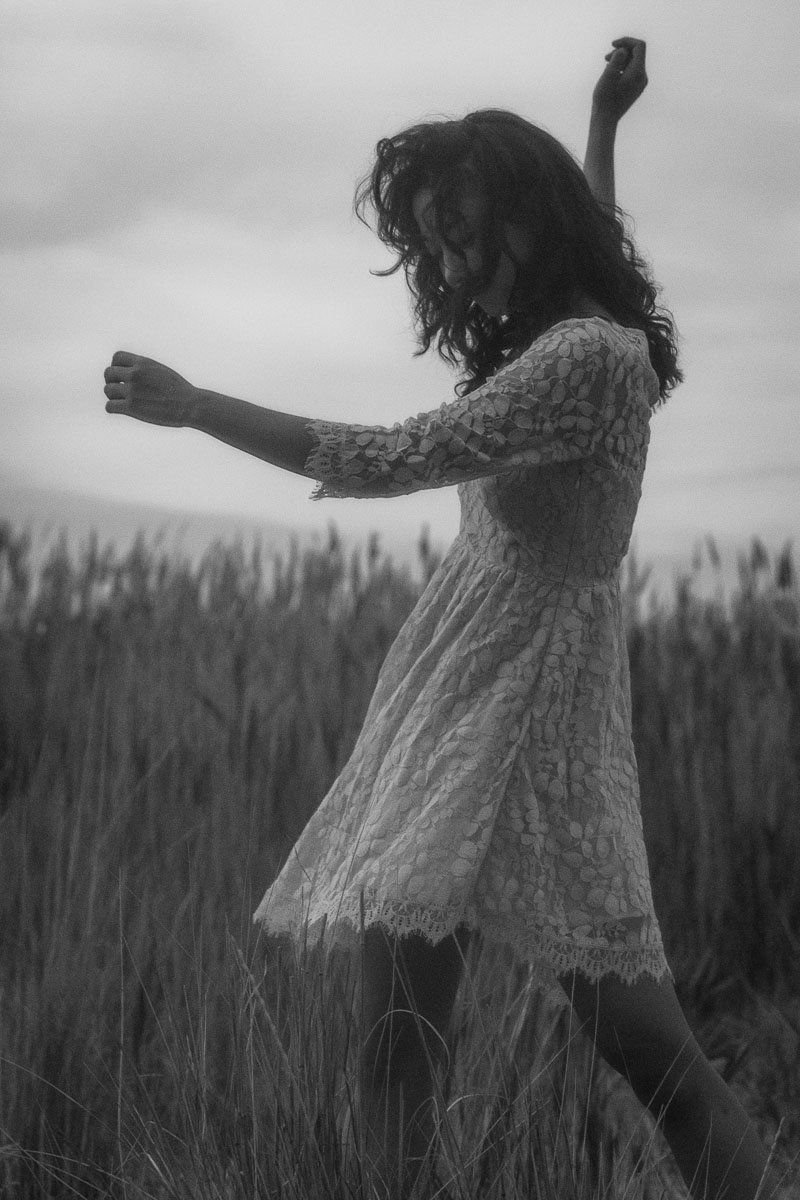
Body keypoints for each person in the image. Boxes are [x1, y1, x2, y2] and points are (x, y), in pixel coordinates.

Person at [103, 38, 783, 1200]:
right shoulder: (568, 336)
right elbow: (586, 244)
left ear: (532, 211)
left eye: (469, 230)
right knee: (397, 1045)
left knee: (643, 1047)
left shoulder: (587, 361)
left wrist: (198, 406)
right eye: (438, 243)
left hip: (531, 712)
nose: (459, 264)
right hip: (457, 701)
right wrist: (602, 120)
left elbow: (395, 455)